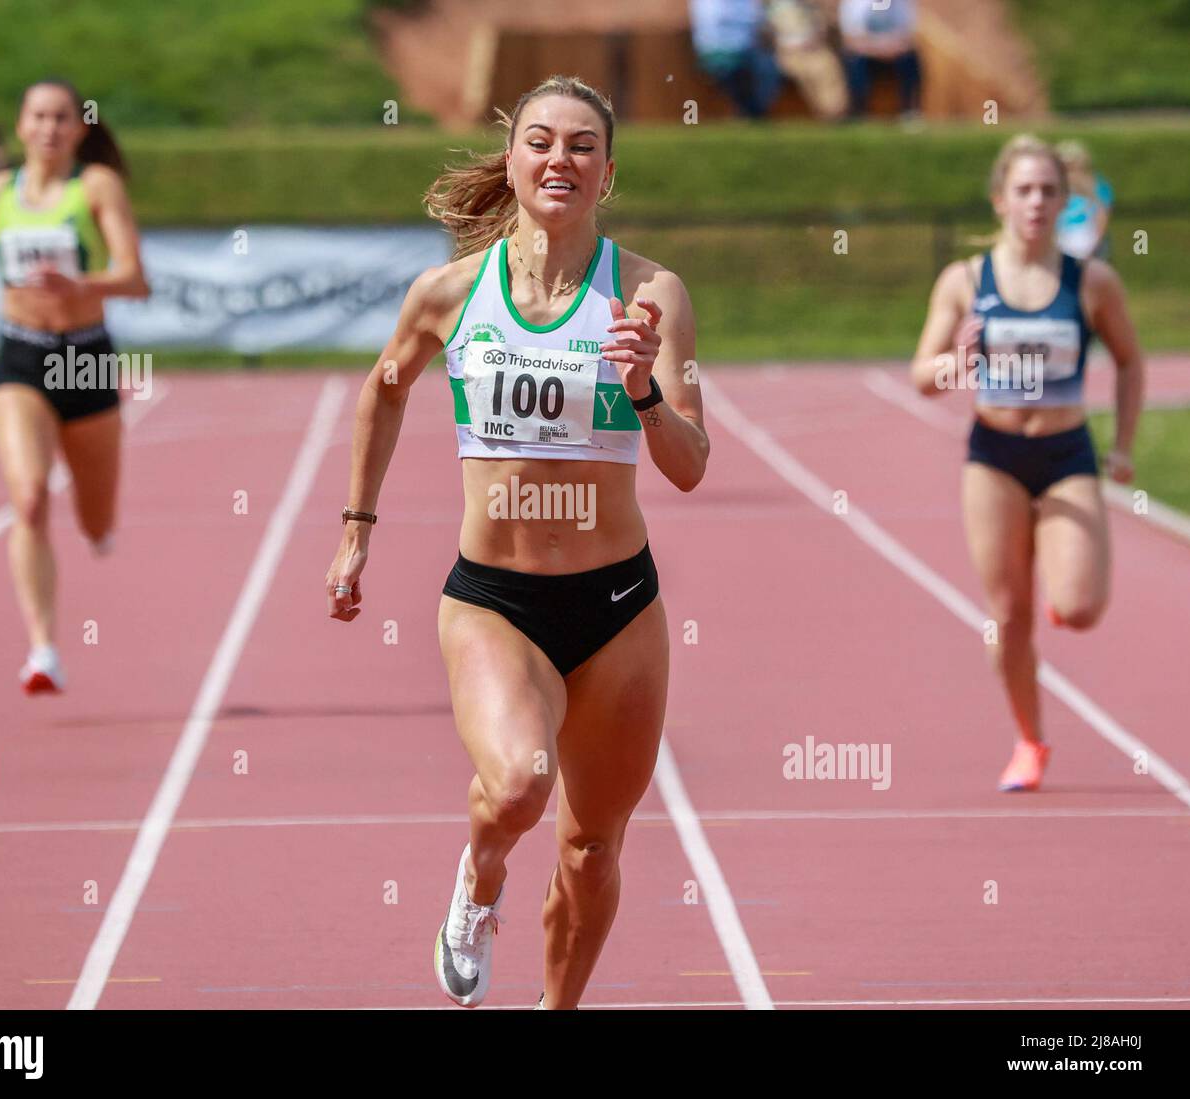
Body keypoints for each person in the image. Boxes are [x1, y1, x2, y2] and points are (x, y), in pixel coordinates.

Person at [325, 75, 709, 1010]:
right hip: (497, 600)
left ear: (607, 173)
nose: (559, 160)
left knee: (590, 846)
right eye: (540, 141)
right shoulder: (451, 292)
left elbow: (691, 463)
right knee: (517, 786)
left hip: (619, 607)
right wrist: (356, 530)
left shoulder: (651, 294)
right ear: (512, 159)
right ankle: (479, 882)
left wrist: (645, 389)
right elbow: (384, 386)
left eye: (582, 146)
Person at [910, 134, 1145, 792]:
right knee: (1007, 614)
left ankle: (1063, 580)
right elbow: (922, 375)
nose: (1036, 201)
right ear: (1000, 200)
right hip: (996, 456)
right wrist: (956, 360)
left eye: (1048, 190)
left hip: (1067, 453)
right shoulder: (965, 280)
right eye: (1024, 190)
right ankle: (1030, 741)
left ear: (1065, 200)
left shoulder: (1091, 281)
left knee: (1079, 606)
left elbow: (1130, 359)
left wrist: (1122, 444)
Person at [0, 79, 149, 694]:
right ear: (20, 125)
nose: (49, 128)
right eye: (38, 116)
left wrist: (81, 287)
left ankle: (99, 527)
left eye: (62, 117)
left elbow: (135, 278)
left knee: (95, 518)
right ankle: (42, 649)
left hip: (86, 360)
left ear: (80, 127)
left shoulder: (94, 187)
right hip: (21, 359)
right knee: (30, 498)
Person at [690, 0, 783, 118]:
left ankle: (754, 112)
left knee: (768, 72)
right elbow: (717, 16)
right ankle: (749, 112)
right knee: (733, 81)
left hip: (749, 43)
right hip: (720, 46)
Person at [838, 0, 922, 118]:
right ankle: (859, 111)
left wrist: (888, 48)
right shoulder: (854, 3)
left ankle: (909, 110)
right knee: (854, 60)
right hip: (865, 53)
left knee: (910, 59)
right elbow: (851, 40)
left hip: (893, 52)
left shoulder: (903, 4)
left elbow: (908, 38)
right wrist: (879, 48)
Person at [767, 0, 849, 120]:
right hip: (788, 53)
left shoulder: (813, 6)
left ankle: (835, 112)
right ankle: (825, 113)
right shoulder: (777, 6)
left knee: (827, 65)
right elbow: (770, 34)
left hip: (816, 49)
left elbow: (825, 26)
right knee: (806, 69)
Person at [1055, 140, 1114, 262]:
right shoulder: (1054, 185)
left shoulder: (1097, 184)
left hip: (1089, 243)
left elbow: (1102, 214)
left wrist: (1094, 246)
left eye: (1071, 165)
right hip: (1061, 241)